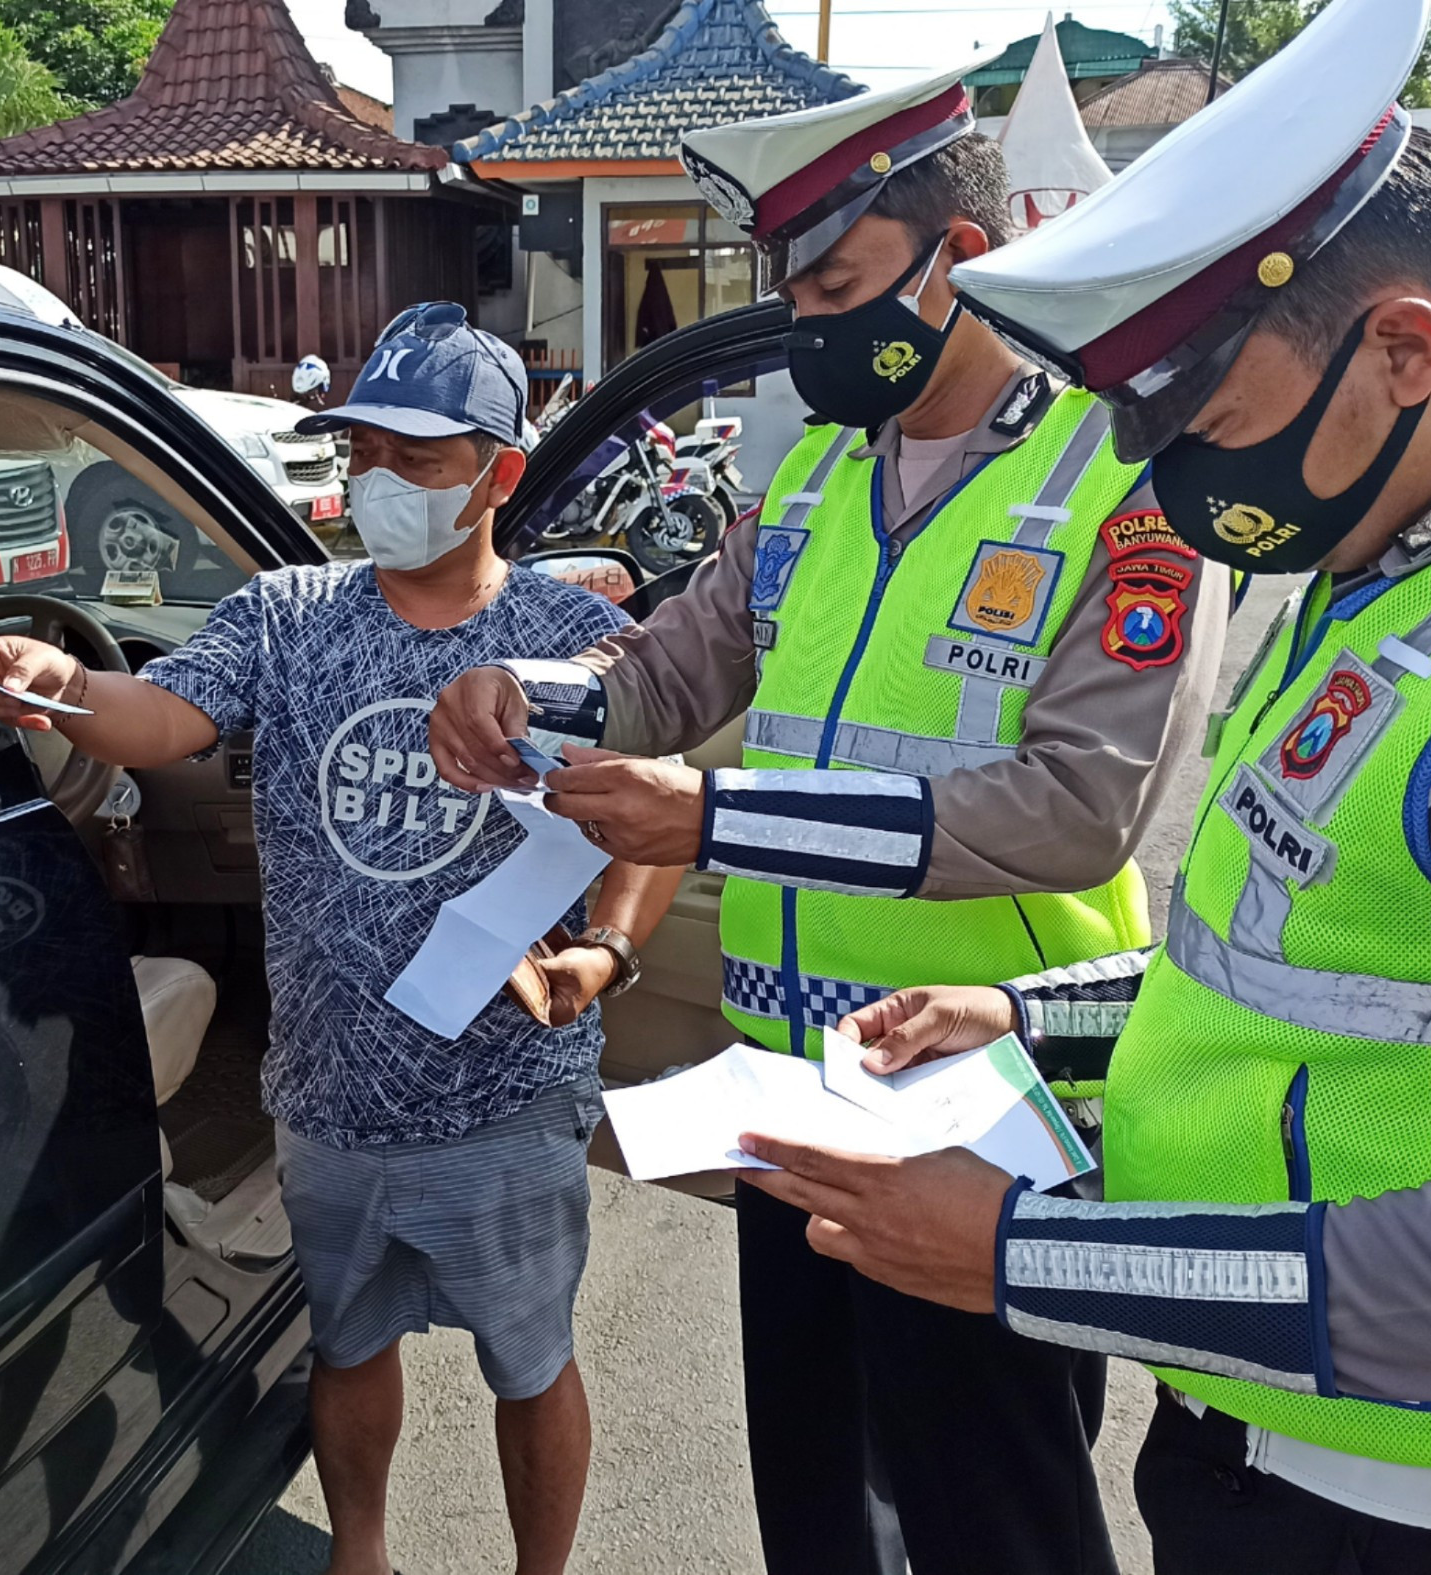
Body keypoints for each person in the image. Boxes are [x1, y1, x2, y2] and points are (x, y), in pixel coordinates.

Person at [736, 0, 1431, 1570]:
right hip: (1270, 1449)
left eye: (1209, 427)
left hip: (1417, 1506)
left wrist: (1026, 1256)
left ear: (1405, 348)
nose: (1175, 485)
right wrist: (1041, 1013)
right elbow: (1326, 977)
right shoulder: (1392, 558)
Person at [426, 68, 1227, 1575]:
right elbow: (670, 666)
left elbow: (1078, 814)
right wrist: (522, 697)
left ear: (962, 256)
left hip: (983, 1095)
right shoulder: (809, 475)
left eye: (841, 288)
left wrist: (718, 816)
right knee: (817, 1501)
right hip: (788, 1087)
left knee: (993, 1514)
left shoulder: (1120, 483)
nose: (811, 330)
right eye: (795, 295)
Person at [0, 304, 684, 1575]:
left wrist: (602, 956)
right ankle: (359, 1551)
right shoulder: (288, 613)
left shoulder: (566, 640)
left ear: (500, 472)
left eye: (416, 458)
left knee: (529, 1361)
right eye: (360, 451)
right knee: (345, 1344)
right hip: (326, 1094)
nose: (379, 480)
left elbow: (647, 821)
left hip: (499, 1090)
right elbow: (158, 717)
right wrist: (60, 686)